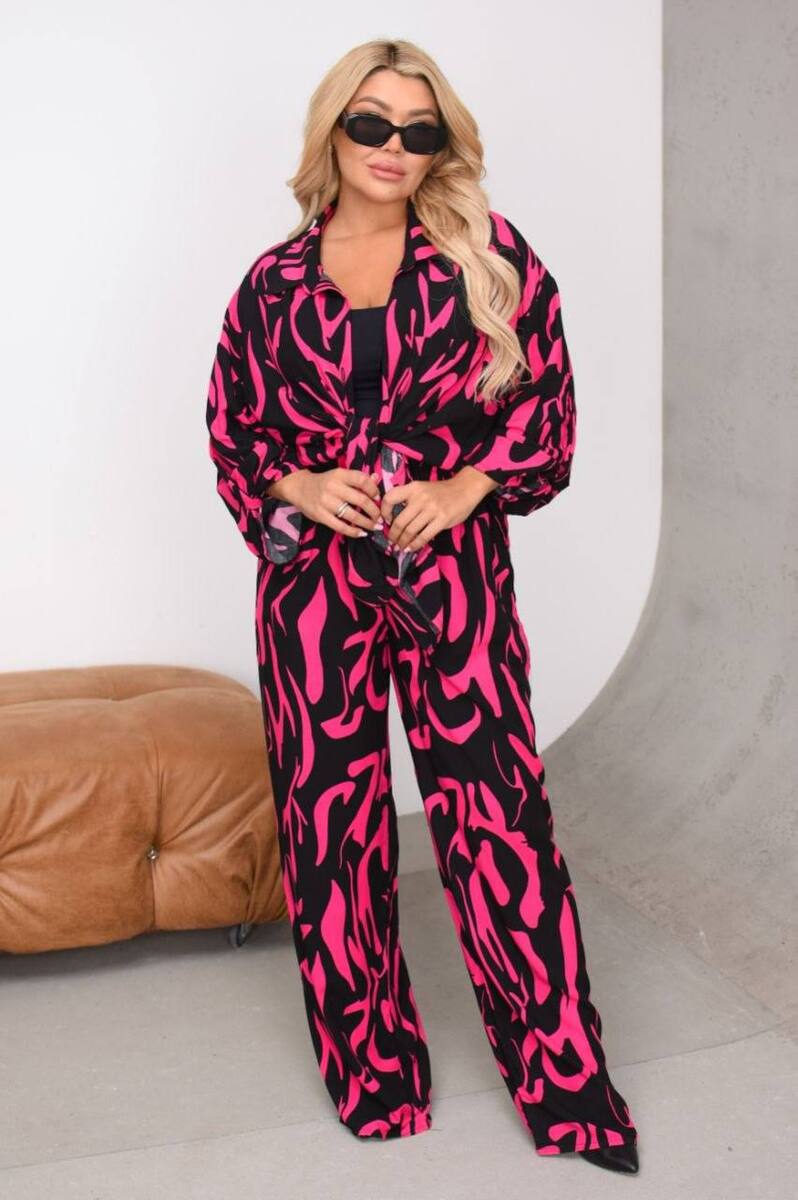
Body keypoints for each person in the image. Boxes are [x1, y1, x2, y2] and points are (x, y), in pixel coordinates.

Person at [206, 38, 640, 1175]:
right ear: (333, 131)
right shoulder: (270, 285)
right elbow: (234, 431)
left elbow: (547, 406)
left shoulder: (488, 258)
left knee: (500, 823)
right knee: (332, 831)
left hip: (454, 582)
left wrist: (465, 487)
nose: (392, 147)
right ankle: (375, 1077)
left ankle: (567, 1087)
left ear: (440, 144)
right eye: (371, 123)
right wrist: (299, 485)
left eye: (418, 129)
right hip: (313, 595)